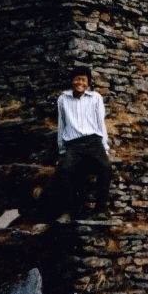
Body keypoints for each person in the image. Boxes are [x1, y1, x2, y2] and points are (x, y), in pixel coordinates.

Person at [54, 66, 112, 219]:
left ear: (88, 82)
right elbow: (62, 124)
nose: (80, 82)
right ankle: (69, 211)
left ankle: (101, 210)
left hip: (93, 141)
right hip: (73, 144)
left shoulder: (95, 98)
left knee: (105, 168)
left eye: (83, 80)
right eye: (77, 79)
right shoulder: (62, 99)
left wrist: (105, 147)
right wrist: (61, 150)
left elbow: (101, 123)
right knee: (65, 170)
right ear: (72, 81)